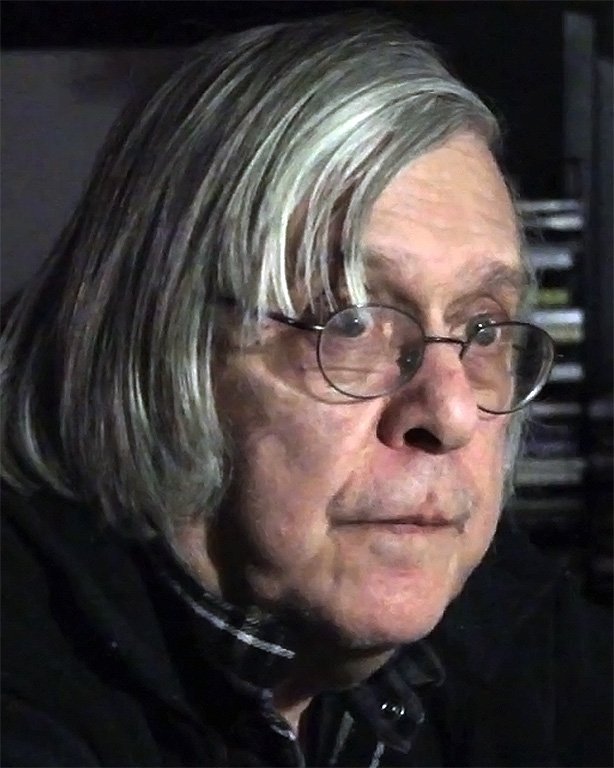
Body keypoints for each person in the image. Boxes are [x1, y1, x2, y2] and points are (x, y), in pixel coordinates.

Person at [1, 12, 611, 768]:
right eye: (351, 322)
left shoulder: (512, 622)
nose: (451, 413)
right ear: (155, 343)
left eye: (483, 329)